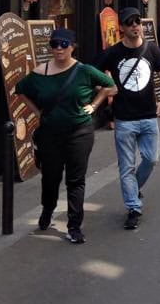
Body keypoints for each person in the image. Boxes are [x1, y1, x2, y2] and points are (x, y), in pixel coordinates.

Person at [16, 28, 116, 244]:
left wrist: (94, 104)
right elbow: (20, 90)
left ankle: (74, 226)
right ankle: (48, 209)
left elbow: (111, 87)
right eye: (54, 44)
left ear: (73, 46)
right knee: (51, 177)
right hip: (50, 134)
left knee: (76, 180)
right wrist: (37, 112)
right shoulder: (39, 73)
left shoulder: (85, 70)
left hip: (79, 132)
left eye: (64, 44)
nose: (59, 48)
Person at [95, 7, 160, 230]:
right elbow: (91, 75)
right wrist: (106, 89)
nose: (135, 26)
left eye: (137, 21)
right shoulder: (112, 53)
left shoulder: (152, 49)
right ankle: (133, 207)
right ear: (122, 28)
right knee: (126, 167)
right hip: (124, 119)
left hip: (149, 116)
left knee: (152, 158)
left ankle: (133, 188)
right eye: (130, 23)